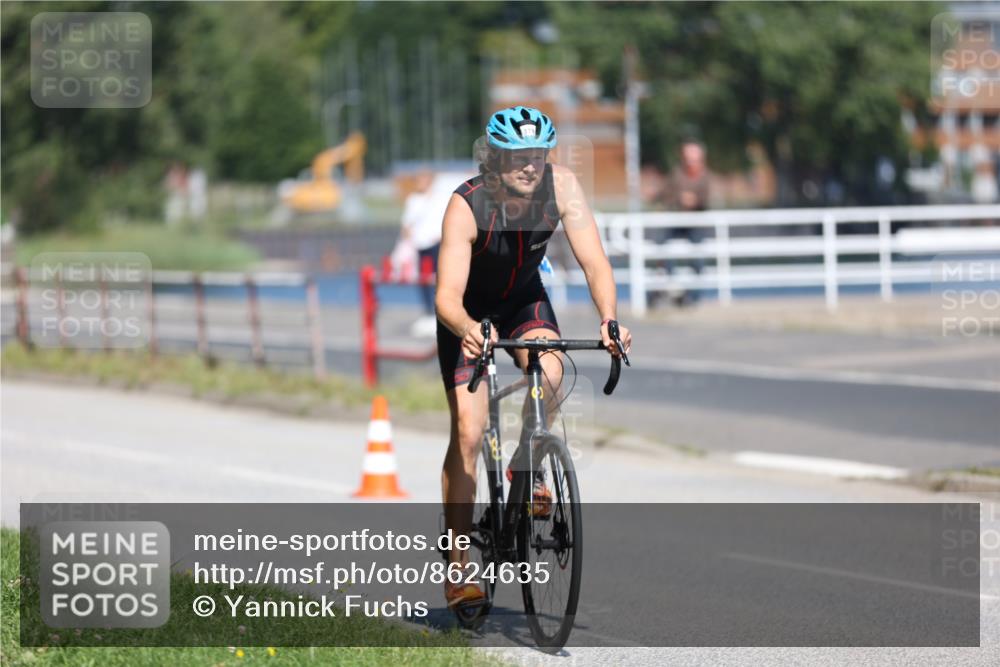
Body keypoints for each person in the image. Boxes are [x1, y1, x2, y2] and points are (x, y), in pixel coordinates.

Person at [434, 106, 632, 608]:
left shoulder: (562, 187)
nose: (530, 167)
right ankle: (458, 570)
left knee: (551, 367)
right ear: (495, 159)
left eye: (539, 156)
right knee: (469, 433)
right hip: (468, 312)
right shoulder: (466, 205)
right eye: (519, 157)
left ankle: (527, 468)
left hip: (523, 299)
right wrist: (466, 330)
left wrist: (609, 319)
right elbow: (446, 298)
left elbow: (595, 262)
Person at [656, 139, 710, 306]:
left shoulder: (705, 176)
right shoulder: (676, 174)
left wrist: (694, 201)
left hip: (696, 224)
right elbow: (665, 194)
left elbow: (706, 200)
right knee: (663, 249)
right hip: (677, 221)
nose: (690, 161)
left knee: (698, 259)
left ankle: (693, 296)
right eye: (688, 157)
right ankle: (672, 286)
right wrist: (679, 199)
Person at [397, 169, 449, 336]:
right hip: (419, 245)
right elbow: (407, 223)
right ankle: (428, 312)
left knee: (440, 278)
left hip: (437, 243)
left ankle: (443, 312)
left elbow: (446, 219)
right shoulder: (413, 199)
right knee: (423, 279)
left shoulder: (440, 198)